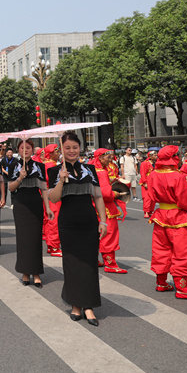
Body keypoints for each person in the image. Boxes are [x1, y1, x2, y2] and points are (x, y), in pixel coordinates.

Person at [48, 132, 108, 326]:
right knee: (72, 264)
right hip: (68, 223)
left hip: (89, 222)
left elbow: (98, 197)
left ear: (79, 148)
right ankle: (75, 304)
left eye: (75, 147)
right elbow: (53, 199)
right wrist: (60, 180)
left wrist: (103, 221)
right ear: (62, 150)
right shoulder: (54, 171)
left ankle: (88, 305)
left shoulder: (90, 170)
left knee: (90, 264)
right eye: (67, 148)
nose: (72, 151)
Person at [145, 145, 187, 299]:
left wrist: (185, 179)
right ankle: (183, 289)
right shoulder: (177, 176)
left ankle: (161, 282)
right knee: (183, 252)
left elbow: (161, 186)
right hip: (179, 216)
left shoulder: (153, 174)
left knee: (161, 250)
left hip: (161, 215)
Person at [8, 140, 53, 287]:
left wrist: (48, 208)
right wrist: (20, 177)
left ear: (33, 150)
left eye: (28, 147)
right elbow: (11, 187)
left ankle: (36, 272)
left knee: (35, 238)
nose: (25, 150)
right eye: (22, 148)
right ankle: (25, 272)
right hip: (20, 204)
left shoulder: (39, 166)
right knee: (23, 239)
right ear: (18, 150)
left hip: (35, 203)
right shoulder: (14, 165)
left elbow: (44, 189)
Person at [93, 149, 128, 274]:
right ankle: (110, 264)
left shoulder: (92, 168)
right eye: (108, 157)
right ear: (101, 158)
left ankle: (93, 259)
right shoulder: (101, 171)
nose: (110, 160)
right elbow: (105, 194)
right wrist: (115, 193)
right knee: (109, 235)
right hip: (106, 208)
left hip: (94, 207)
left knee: (96, 235)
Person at [42, 144, 62, 257]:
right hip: (53, 195)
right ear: (51, 153)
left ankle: (51, 245)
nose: (58, 153)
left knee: (50, 221)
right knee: (54, 221)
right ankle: (54, 246)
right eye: (56, 151)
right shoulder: (51, 166)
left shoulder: (46, 164)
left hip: (47, 195)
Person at [140, 150, 158, 219]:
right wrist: (144, 182)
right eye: (155, 155)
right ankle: (146, 212)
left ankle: (151, 211)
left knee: (153, 197)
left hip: (154, 182)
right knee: (147, 197)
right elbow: (143, 173)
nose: (156, 157)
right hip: (147, 182)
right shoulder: (144, 163)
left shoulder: (156, 163)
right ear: (150, 156)